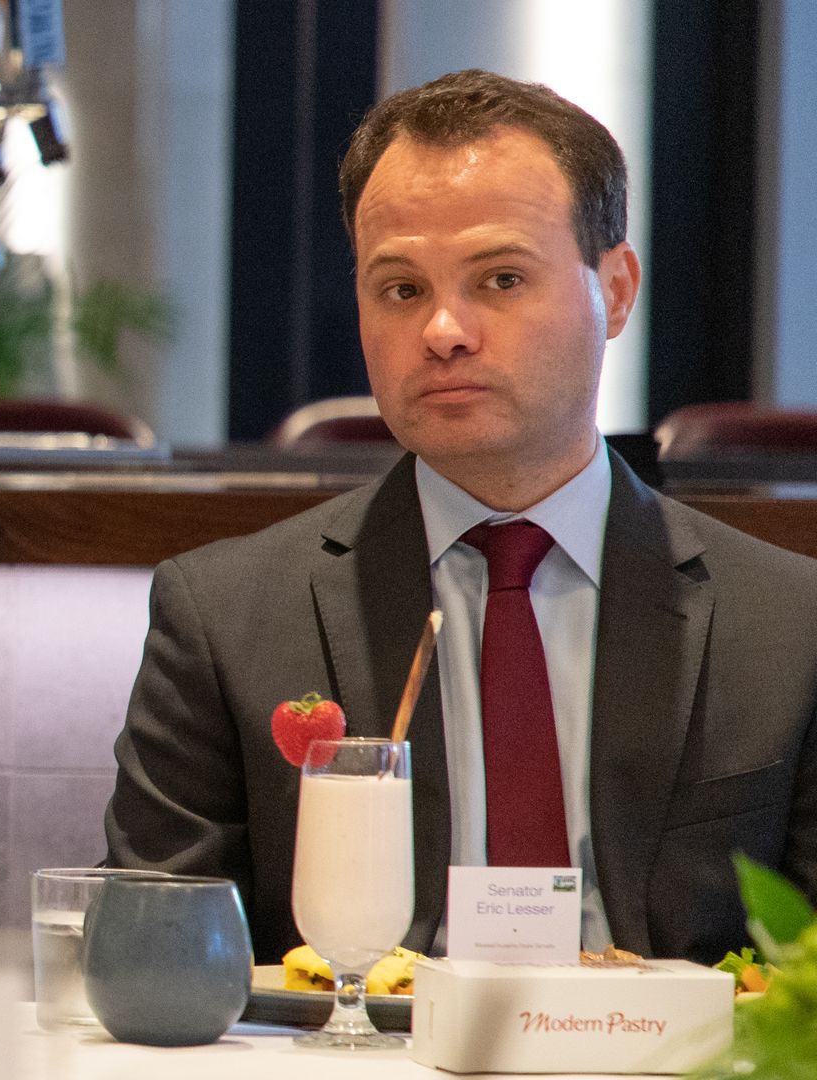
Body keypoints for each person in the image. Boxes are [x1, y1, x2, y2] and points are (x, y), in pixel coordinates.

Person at [105, 69, 817, 966]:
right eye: (400, 289)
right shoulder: (225, 616)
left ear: (618, 290)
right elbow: (148, 961)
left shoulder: (792, 625)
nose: (444, 329)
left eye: (502, 278)